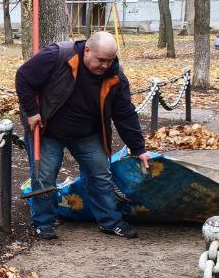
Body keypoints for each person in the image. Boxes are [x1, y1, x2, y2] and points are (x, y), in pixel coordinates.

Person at [15, 30, 149, 240]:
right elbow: (23, 77)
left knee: (100, 174)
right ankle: (43, 224)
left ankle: (110, 221)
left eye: (110, 60)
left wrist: (138, 148)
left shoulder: (115, 76)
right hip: (48, 129)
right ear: (87, 50)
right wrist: (32, 112)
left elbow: (124, 113)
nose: (105, 65)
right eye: (101, 60)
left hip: (87, 133)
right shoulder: (57, 55)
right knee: (44, 178)